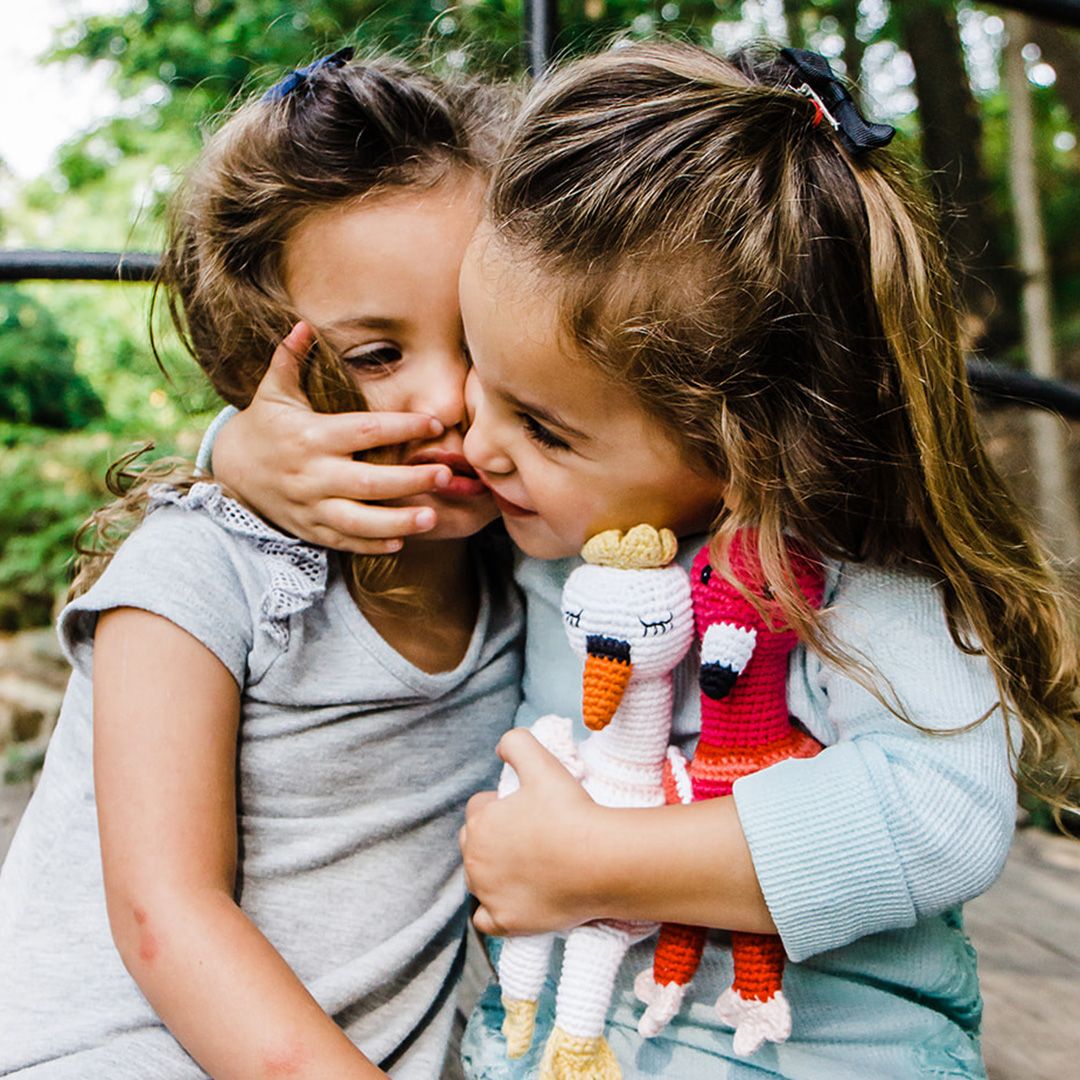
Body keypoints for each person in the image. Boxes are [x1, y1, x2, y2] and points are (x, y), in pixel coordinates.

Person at [198, 42, 1080, 1079]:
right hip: (564, 1042)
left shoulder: (842, 575)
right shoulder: (557, 522)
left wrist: (592, 868)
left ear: (747, 449)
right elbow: (350, 463)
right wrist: (234, 452)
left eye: (544, 425)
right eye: (488, 374)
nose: (478, 443)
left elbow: (940, 816)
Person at [0, 52, 524, 1079]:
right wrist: (233, 452)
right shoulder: (201, 575)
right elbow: (168, 914)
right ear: (258, 366)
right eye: (376, 356)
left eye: (482, 332)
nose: (453, 394)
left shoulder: (530, 552)